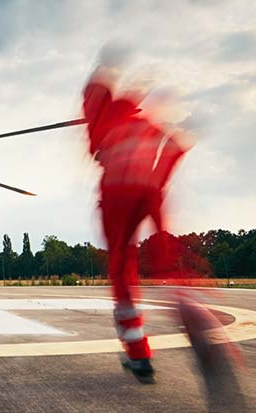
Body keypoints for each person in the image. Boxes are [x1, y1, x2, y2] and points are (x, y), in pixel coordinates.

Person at [82, 65, 188, 383]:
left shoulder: (103, 118)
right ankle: (187, 294)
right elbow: (175, 146)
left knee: (122, 271)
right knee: (165, 257)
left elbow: (93, 104)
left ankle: (139, 355)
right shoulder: (142, 120)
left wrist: (104, 149)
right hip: (150, 190)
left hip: (117, 194)